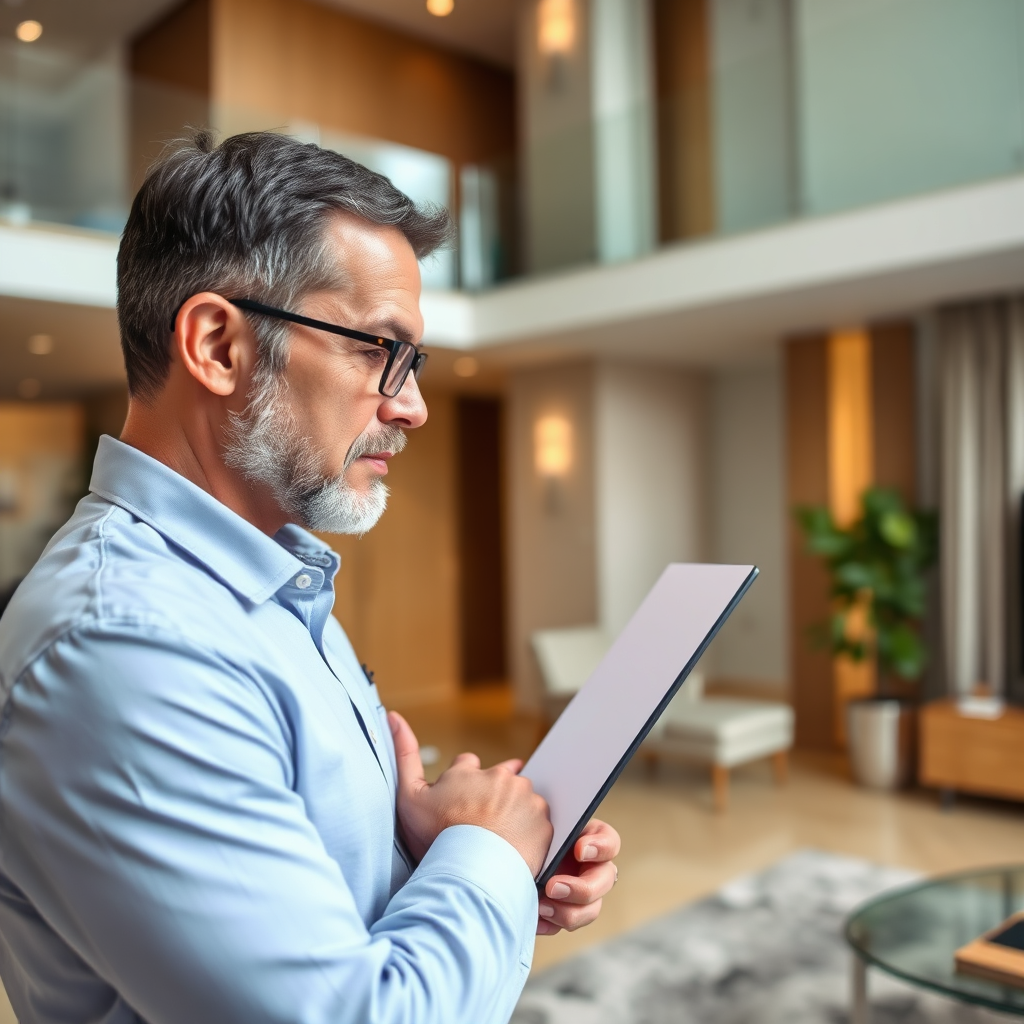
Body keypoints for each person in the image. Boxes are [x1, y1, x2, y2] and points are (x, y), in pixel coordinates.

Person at [0, 131, 619, 1023]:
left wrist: (438, 857)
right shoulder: (126, 646)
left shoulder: (271, 582)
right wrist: (485, 859)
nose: (412, 405)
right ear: (219, 344)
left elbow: (323, 905)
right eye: (380, 350)